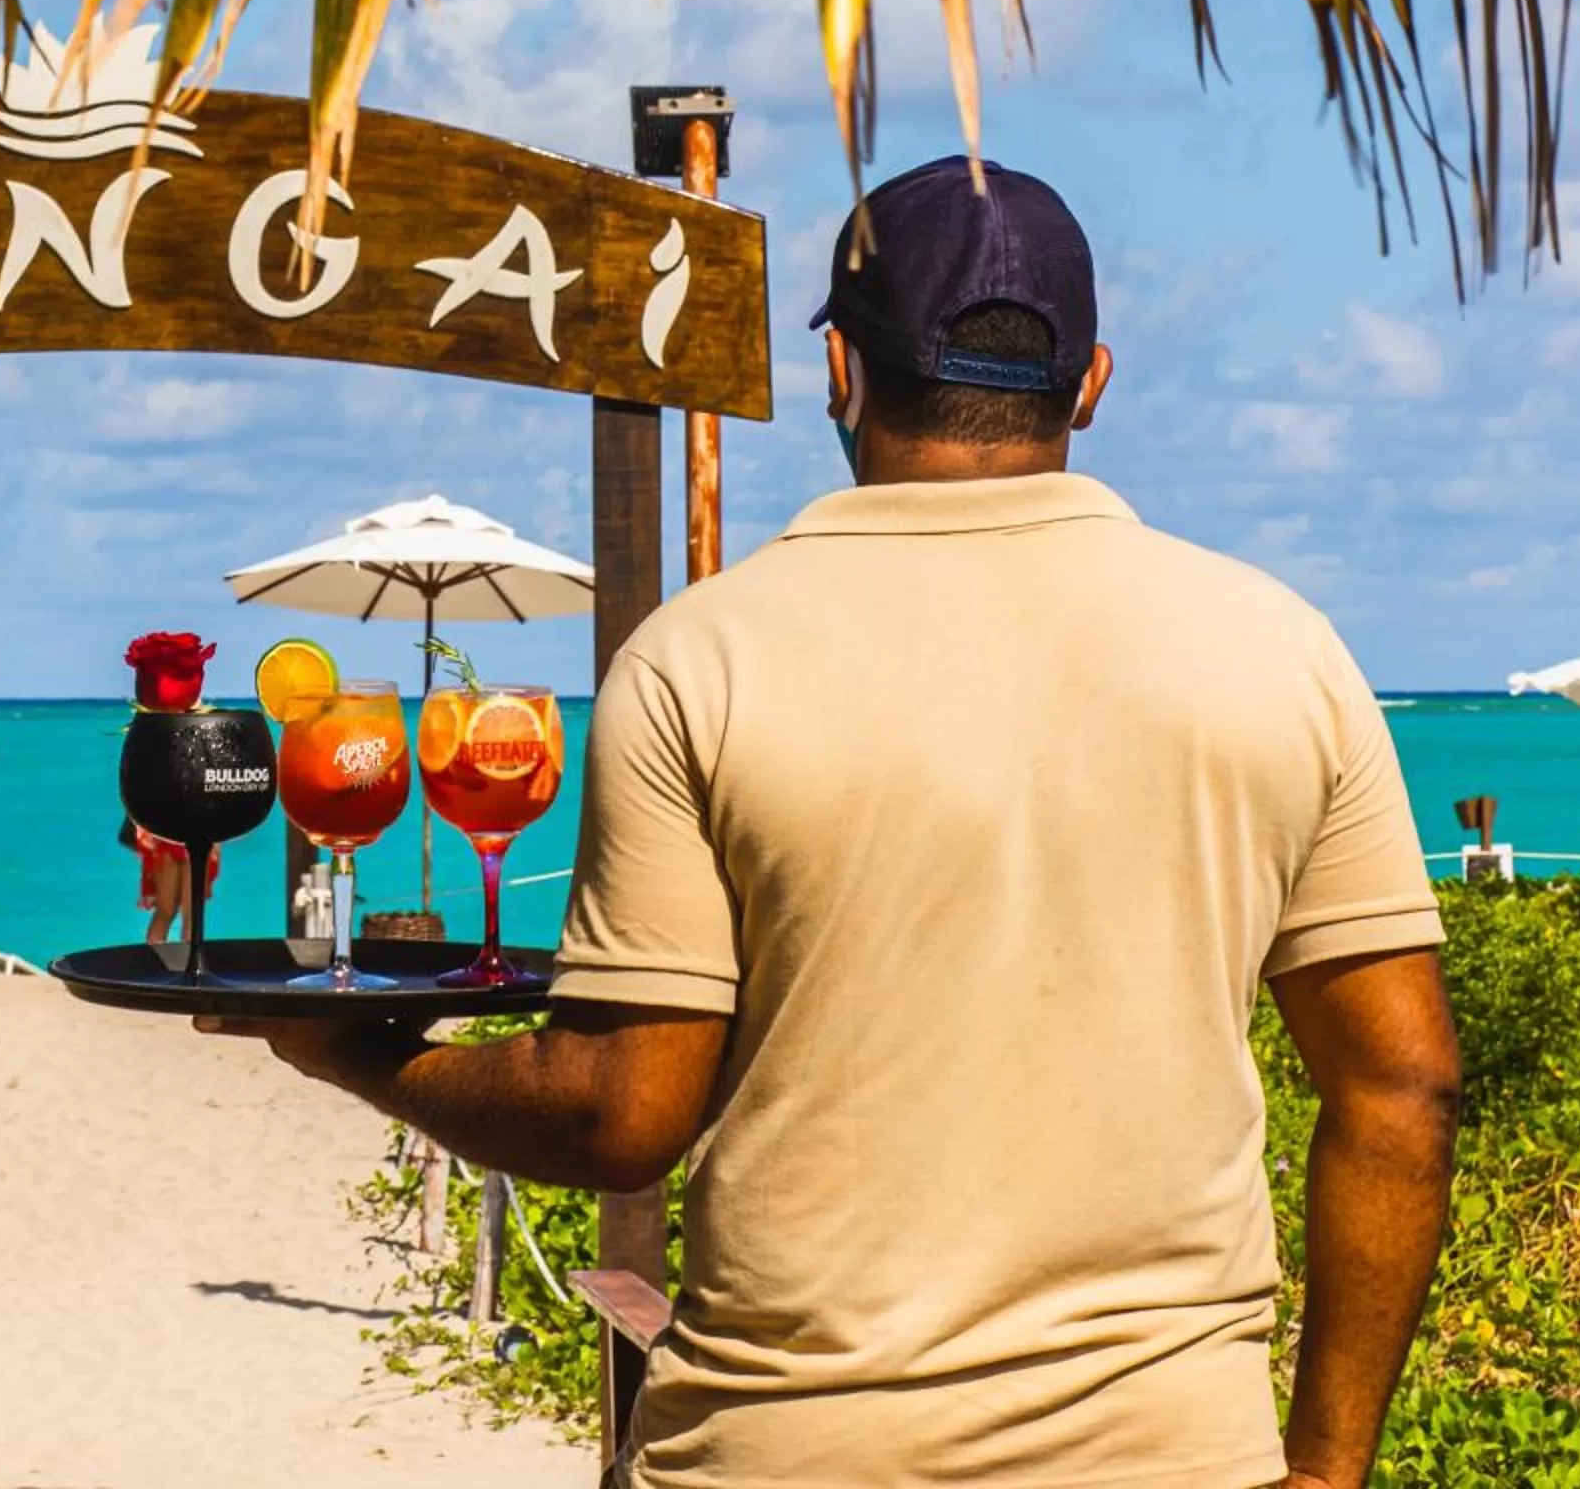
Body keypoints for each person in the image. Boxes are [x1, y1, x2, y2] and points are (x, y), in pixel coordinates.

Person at [205, 156, 1462, 1489]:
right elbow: (1404, 1090)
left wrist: (350, 1052)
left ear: (839, 372)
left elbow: (618, 1116)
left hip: (787, 1453)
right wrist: (1323, 1477)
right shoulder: (1279, 651)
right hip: (1170, 1457)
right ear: (1092, 382)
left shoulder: (706, 660)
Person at [124, 817, 214, 945]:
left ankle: (154, 959)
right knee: (191, 913)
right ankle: (191, 960)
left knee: (164, 911)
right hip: (197, 835)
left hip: (163, 836)